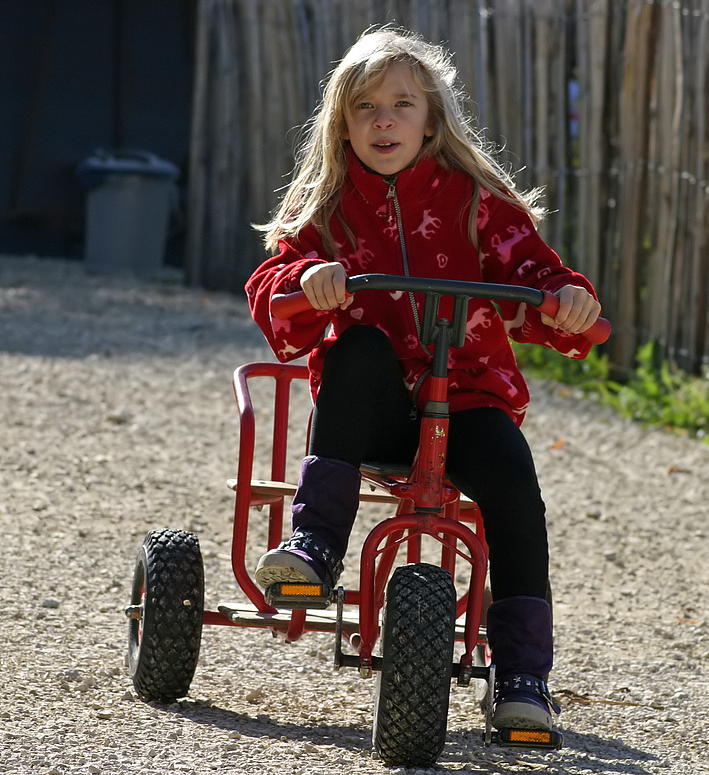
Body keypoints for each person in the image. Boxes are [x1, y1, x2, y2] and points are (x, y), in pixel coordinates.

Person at [245, 27, 602, 735]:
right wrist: (304, 280)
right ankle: (314, 543)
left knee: (513, 484)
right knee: (359, 348)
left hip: (467, 397)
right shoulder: (326, 208)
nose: (384, 120)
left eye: (403, 105)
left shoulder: (475, 203)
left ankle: (523, 671)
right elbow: (271, 282)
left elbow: (530, 270)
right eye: (366, 107)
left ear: (432, 120)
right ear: (343, 123)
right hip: (373, 411)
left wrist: (565, 297)